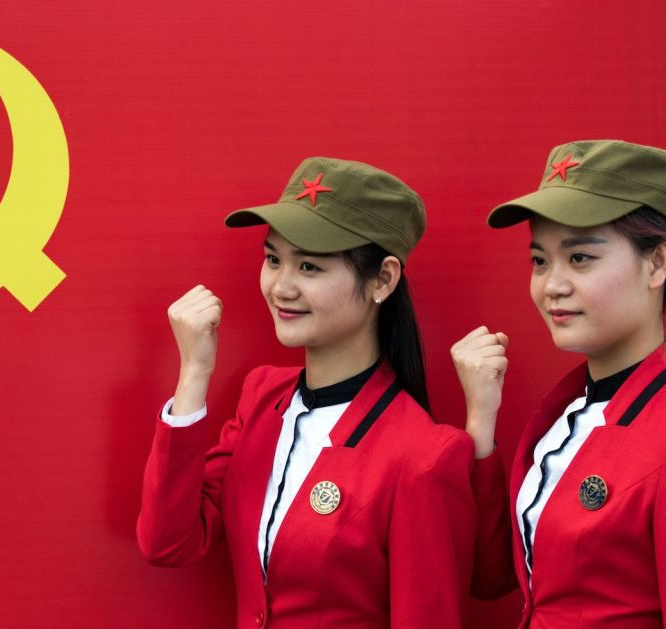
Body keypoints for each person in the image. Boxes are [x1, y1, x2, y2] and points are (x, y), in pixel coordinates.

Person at [137, 157, 477, 628]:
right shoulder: (261, 397)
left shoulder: (424, 456)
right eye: (274, 259)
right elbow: (167, 542)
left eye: (310, 267)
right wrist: (195, 371)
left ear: (383, 279)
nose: (281, 286)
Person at [452, 140, 666, 628]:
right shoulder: (562, 421)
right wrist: (480, 423)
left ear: (657, 264)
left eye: (581, 258)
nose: (552, 285)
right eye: (539, 260)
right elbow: (492, 579)